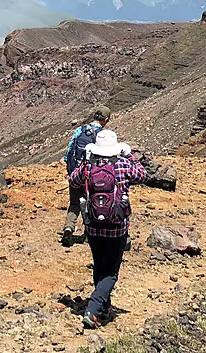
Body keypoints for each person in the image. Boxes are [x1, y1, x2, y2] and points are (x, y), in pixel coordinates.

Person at [68, 129, 146, 330]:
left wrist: (85, 162)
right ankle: (93, 309)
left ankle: (103, 308)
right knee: (111, 273)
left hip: (93, 227)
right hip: (117, 227)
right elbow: (143, 175)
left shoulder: (88, 168)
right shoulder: (122, 164)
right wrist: (129, 154)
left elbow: (72, 180)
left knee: (99, 266)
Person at [62, 106, 112, 246]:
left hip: (75, 173)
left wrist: (72, 172)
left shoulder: (81, 130)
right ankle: (89, 233)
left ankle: (68, 227)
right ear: (106, 119)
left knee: (74, 203)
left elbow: (68, 153)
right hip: (93, 176)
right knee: (92, 203)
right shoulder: (103, 136)